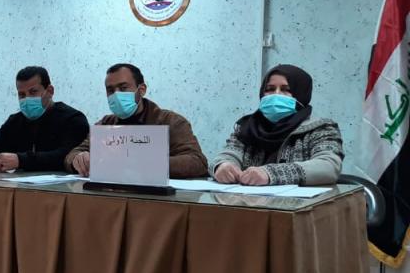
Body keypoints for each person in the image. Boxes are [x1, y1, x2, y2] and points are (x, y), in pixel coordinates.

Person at [65, 64, 207, 178]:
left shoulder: (171, 122)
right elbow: (73, 155)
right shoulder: (105, 124)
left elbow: (197, 162)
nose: (116, 94)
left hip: (157, 198)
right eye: (110, 90)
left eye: (123, 88)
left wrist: (144, 162)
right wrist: (78, 159)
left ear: (141, 90)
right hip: (111, 194)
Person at [211, 64, 343, 186]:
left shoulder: (320, 128)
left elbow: (328, 166)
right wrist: (223, 166)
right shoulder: (247, 127)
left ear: (301, 94)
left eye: (286, 90)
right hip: (245, 201)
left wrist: (270, 174)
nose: (276, 94)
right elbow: (227, 155)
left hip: (299, 203)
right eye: (270, 89)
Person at [0, 66, 89, 172]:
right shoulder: (15, 121)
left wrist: (21, 160)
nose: (27, 99)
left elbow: (66, 156)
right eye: (21, 94)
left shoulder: (73, 119)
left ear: (50, 91)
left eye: (33, 92)